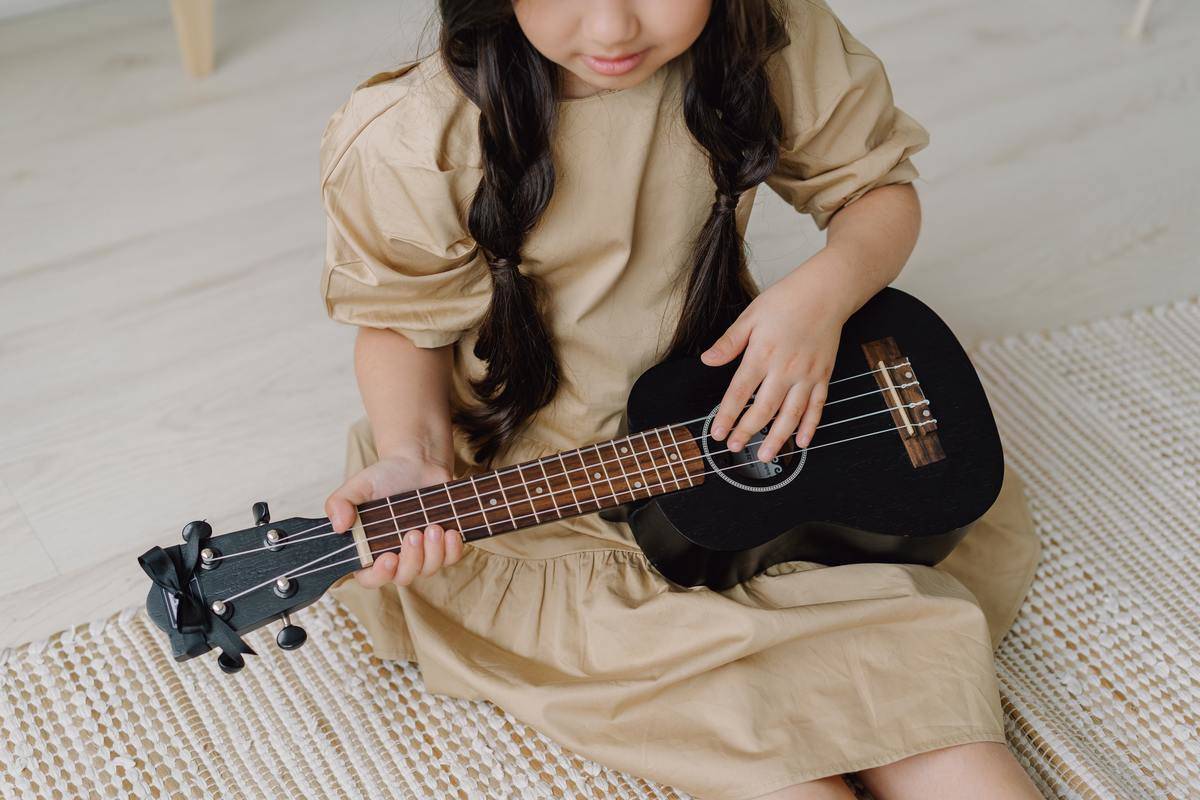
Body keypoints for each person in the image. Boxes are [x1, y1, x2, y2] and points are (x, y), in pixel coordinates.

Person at [318, 0, 1044, 797]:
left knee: (942, 736)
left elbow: (876, 190)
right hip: (542, 499)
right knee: (783, 774)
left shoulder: (766, 31)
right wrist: (412, 453)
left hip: (740, 434)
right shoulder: (412, 137)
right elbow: (400, 325)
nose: (611, 29)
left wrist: (821, 298)